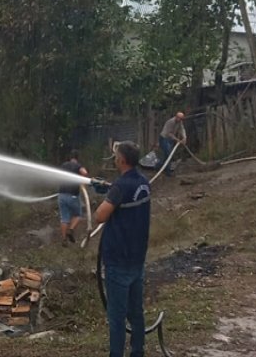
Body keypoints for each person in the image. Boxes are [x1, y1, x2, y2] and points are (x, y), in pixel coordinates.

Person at [95, 141, 152, 357]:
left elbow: (100, 216)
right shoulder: (143, 183)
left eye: (116, 155)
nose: (114, 158)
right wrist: (109, 190)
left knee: (117, 317)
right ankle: (138, 351)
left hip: (118, 260)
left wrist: (110, 194)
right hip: (137, 259)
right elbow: (127, 196)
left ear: (122, 160)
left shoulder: (120, 187)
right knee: (136, 312)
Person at [58, 149, 89, 244]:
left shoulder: (63, 165)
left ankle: (64, 239)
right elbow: (85, 173)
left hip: (61, 195)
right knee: (78, 215)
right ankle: (71, 230)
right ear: (77, 158)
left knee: (64, 218)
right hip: (73, 195)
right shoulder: (77, 165)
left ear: (70, 157)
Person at [157, 112, 186, 176]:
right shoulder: (170, 122)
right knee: (168, 154)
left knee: (167, 155)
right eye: (180, 118)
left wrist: (184, 137)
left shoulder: (180, 122)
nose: (180, 120)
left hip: (170, 140)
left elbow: (182, 129)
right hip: (164, 138)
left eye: (181, 119)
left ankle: (158, 167)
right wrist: (177, 140)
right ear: (176, 117)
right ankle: (168, 172)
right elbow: (169, 134)